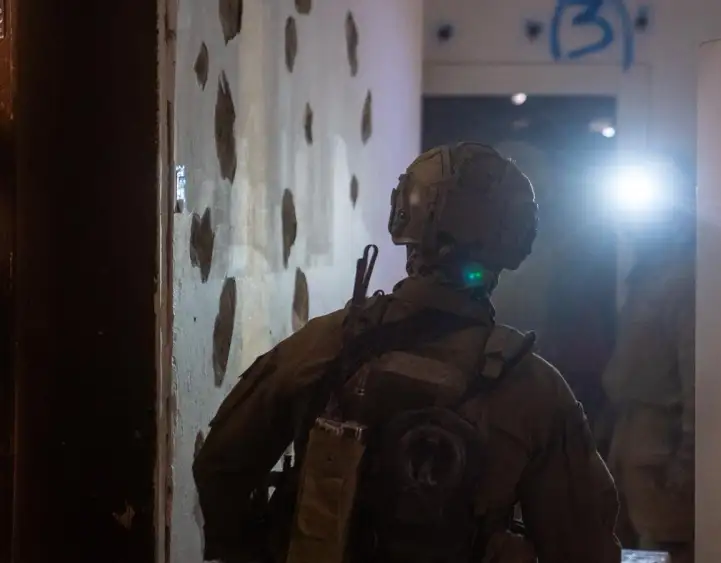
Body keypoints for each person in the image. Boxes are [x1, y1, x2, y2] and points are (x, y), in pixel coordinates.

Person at [193, 143, 622, 563]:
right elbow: (586, 546)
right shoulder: (534, 387)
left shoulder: (323, 343)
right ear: (513, 240)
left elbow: (220, 466)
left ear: (405, 217)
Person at [601, 216, 695, 563]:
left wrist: (685, 466)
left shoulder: (684, 279)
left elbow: (698, 384)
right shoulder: (644, 276)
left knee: (664, 545)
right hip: (629, 439)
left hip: (660, 449)